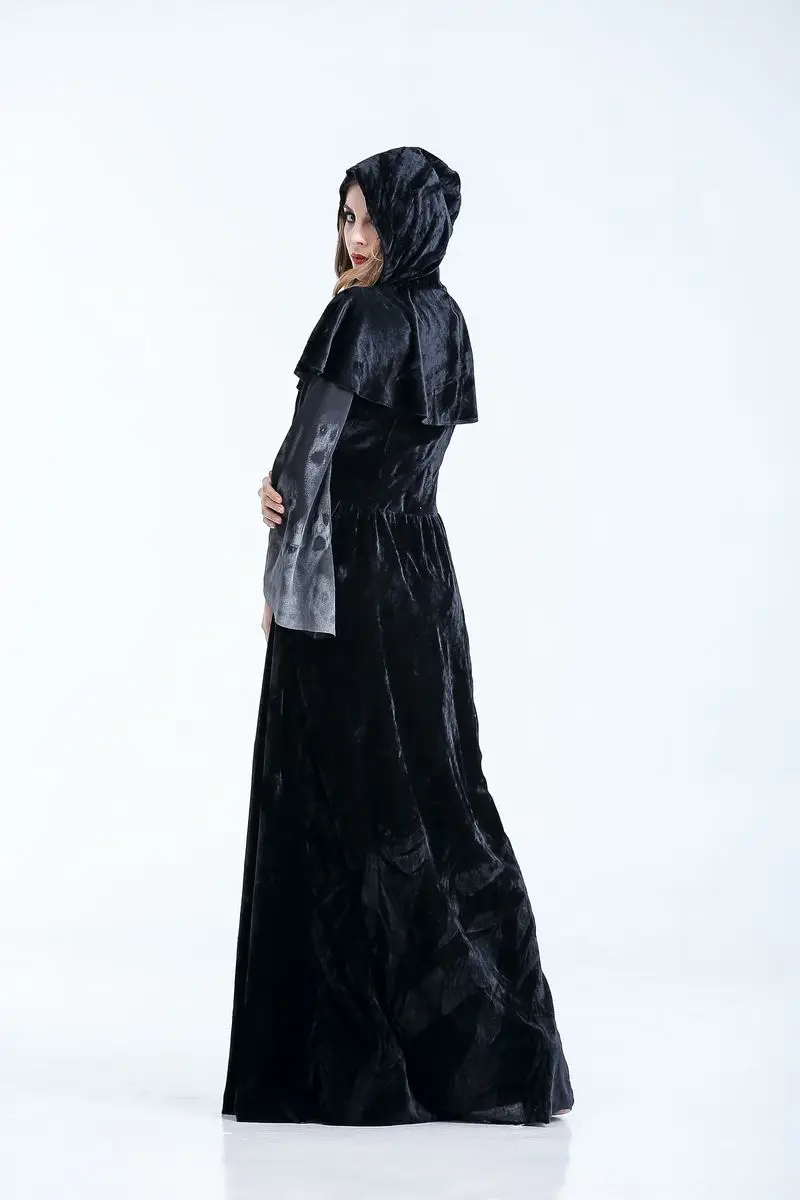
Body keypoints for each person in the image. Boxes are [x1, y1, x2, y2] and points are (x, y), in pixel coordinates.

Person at [221, 146, 574, 1126]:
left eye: (369, 218)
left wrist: (278, 575)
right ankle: (495, 1048)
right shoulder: (445, 319)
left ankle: (348, 1062)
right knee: (439, 796)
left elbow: (307, 464)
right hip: (422, 580)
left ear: (407, 223)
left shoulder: (357, 319)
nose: (355, 238)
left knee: (333, 804)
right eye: (346, 218)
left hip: (343, 584)